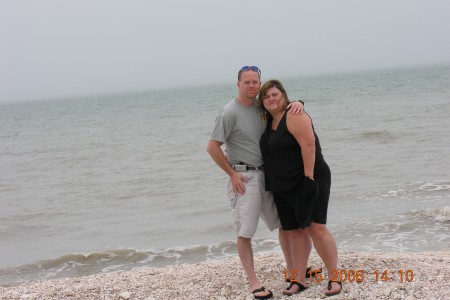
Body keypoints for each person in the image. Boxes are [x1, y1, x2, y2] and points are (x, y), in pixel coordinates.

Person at [206, 66, 306, 299]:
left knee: (284, 225)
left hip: (268, 176)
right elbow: (212, 147)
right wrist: (231, 174)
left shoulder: (261, 107)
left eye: (255, 82)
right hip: (244, 178)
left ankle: (294, 272)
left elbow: (281, 106)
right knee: (245, 233)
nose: (252, 86)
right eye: (247, 82)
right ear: (238, 84)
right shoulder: (229, 112)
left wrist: (299, 102)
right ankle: (253, 282)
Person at [258, 79, 342, 297]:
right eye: (266, 97)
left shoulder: (294, 114)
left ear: (284, 95)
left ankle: (335, 278)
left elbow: (309, 144)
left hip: (309, 179)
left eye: (274, 94)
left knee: (316, 228)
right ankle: (299, 280)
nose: (271, 99)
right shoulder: (268, 120)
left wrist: (308, 179)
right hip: (282, 185)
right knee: (293, 230)